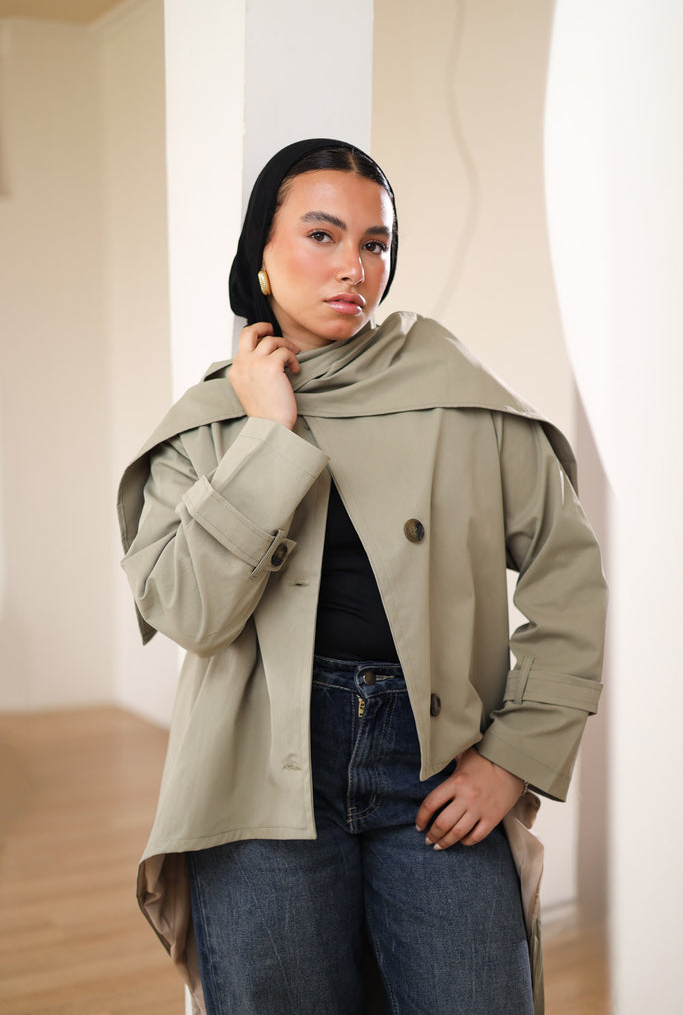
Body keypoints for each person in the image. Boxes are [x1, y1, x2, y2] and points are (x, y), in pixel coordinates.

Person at [117, 138, 606, 1015]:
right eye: (322, 235)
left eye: (374, 243)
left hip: (436, 763)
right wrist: (267, 436)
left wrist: (514, 758)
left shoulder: (462, 396)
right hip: (257, 772)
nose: (355, 267)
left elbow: (567, 578)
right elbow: (189, 613)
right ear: (259, 256)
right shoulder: (208, 424)